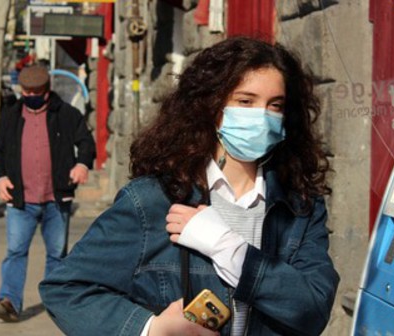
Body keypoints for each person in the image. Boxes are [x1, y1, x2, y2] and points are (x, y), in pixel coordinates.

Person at [39, 37, 339, 335]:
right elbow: (64, 288)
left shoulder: (300, 205)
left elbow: (312, 311)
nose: (262, 116)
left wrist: (229, 249)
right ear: (211, 105)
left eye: (275, 105)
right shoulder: (153, 200)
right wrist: (151, 329)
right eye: (245, 101)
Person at [0, 65, 96, 322]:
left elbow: (86, 143)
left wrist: (82, 164)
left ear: (46, 91)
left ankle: (56, 303)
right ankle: (9, 302)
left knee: (57, 255)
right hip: (19, 199)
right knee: (15, 251)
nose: (29, 95)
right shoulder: (11, 115)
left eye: (35, 91)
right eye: (25, 91)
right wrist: (1, 177)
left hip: (55, 199)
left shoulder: (67, 114)